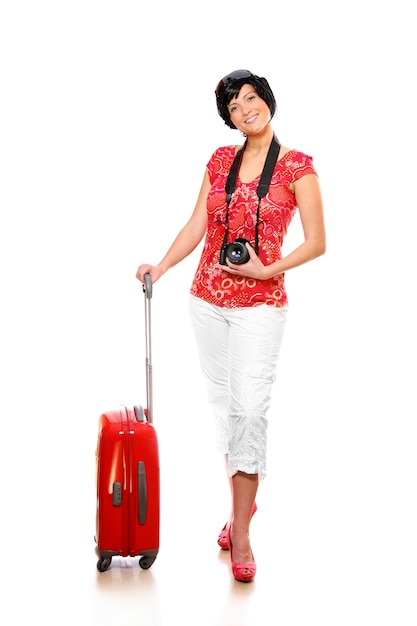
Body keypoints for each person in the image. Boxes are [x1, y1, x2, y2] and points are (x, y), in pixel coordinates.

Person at [136, 69, 326, 582]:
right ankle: (241, 506)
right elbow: (198, 223)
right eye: (235, 106)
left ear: (267, 100)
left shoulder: (298, 167)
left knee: (249, 411)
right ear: (229, 119)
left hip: (261, 308)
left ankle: (241, 532)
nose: (247, 108)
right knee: (225, 409)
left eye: (252, 97)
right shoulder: (221, 160)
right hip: (206, 302)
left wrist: (267, 268)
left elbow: (316, 242)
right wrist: (162, 265)